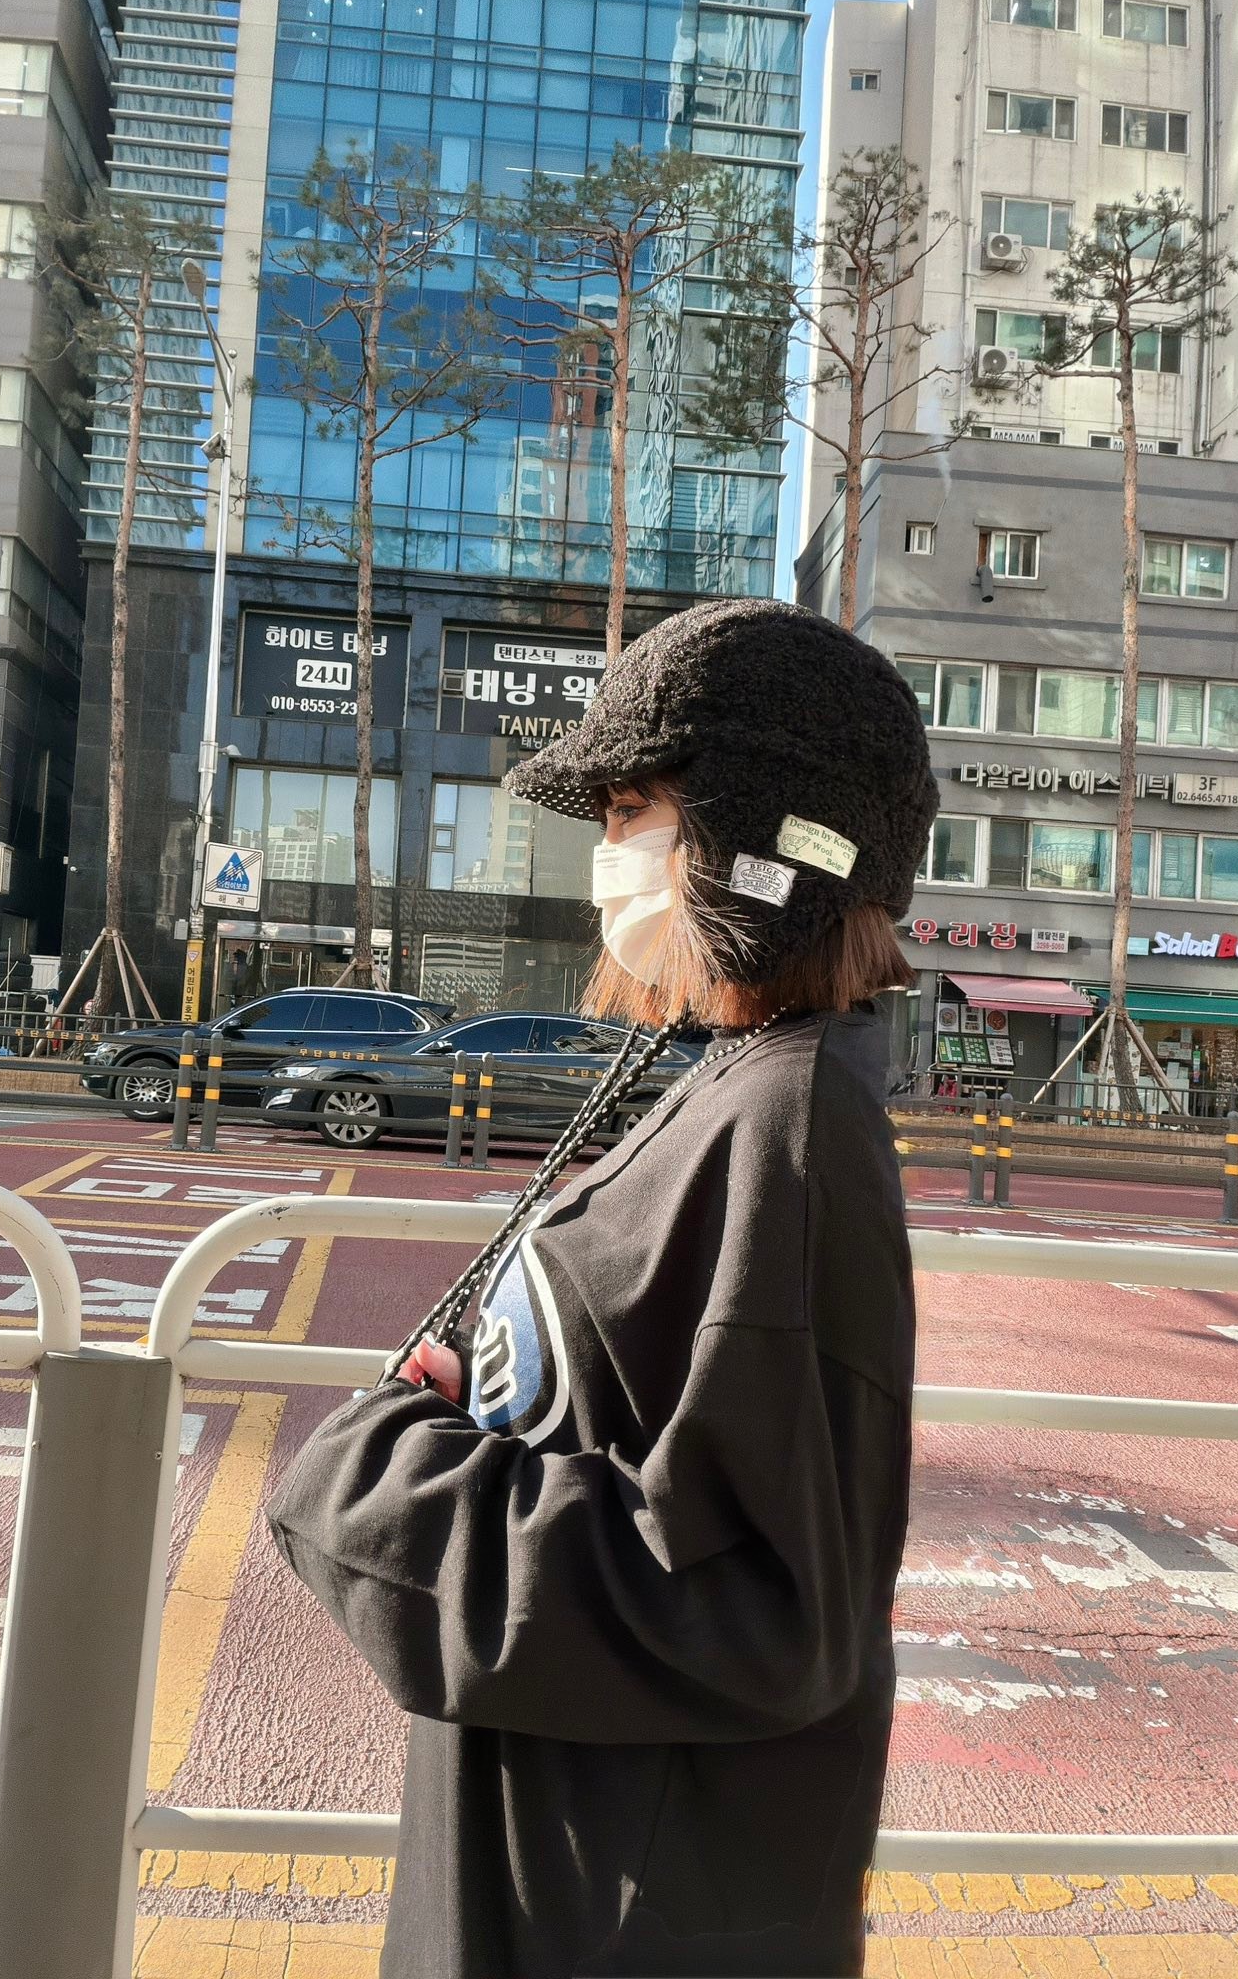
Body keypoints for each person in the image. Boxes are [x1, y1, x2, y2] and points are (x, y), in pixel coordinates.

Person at [267, 599, 939, 1979]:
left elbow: (762, 1615)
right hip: (580, 1867)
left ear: (758, 836)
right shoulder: (739, 1086)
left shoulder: (791, 1130)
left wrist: (382, 1487)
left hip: (624, 1911)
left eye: (634, 809)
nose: (607, 851)